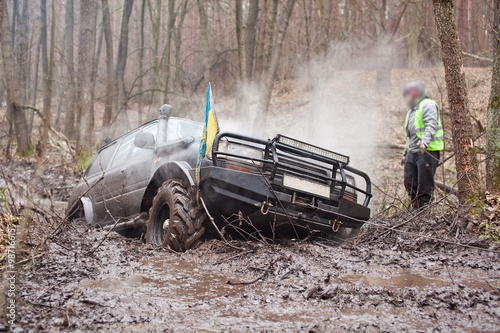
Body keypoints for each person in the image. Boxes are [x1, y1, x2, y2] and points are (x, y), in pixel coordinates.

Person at [401, 82, 444, 209]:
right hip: (413, 152)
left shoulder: (428, 105)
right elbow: (410, 135)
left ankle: (423, 213)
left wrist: (424, 143)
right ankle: (416, 209)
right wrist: (405, 152)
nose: (405, 99)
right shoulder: (412, 110)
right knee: (409, 182)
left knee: (424, 185)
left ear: (414, 94)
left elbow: (431, 125)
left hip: (427, 152)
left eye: (406, 96)